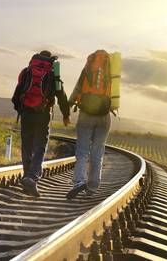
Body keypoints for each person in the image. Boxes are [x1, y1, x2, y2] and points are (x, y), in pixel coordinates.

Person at [12, 50, 70, 197]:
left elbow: (16, 96)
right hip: (43, 114)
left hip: (26, 113)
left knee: (27, 146)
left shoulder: (26, 72)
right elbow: (61, 95)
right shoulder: (52, 75)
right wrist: (66, 114)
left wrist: (22, 109)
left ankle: (28, 181)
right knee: (40, 146)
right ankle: (31, 178)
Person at [66, 49, 113, 199]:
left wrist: (69, 106)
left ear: (92, 58)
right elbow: (115, 97)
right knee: (97, 153)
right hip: (104, 116)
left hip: (86, 114)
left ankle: (79, 181)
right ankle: (92, 186)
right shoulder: (112, 71)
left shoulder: (87, 69)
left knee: (82, 151)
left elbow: (77, 88)